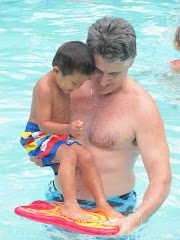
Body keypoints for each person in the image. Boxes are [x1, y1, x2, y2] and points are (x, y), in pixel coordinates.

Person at [31, 17, 172, 235]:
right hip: (59, 200)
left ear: (132, 62)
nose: (103, 81)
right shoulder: (68, 87)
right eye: (97, 70)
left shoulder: (142, 108)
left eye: (114, 74)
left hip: (116, 207)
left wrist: (136, 219)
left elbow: (161, 179)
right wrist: (40, 153)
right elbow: (38, 128)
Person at [20, 41, 123, 223]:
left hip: (56, 136)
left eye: (82, 83)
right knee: (68, 155)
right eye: (75, 83)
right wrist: (68, 129)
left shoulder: (66, 79)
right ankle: (70, 205)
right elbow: (43, 125)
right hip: (37, 136)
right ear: (57, 71)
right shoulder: (45, 87)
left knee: (85, 156)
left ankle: (102, 204)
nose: (76, 88)